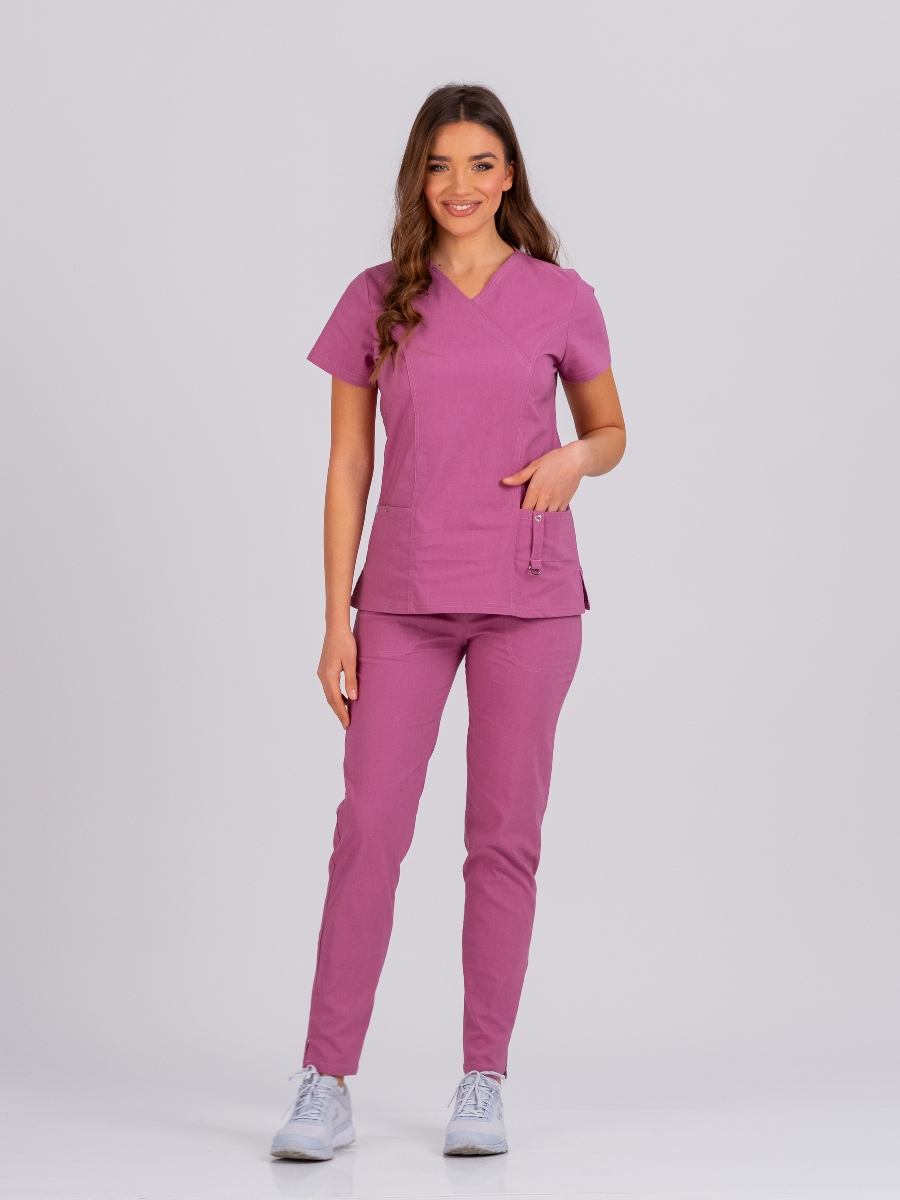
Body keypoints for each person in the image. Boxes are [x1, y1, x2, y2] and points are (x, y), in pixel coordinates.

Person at [270, 83, 625, 1162]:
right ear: (416, 179)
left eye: (479, 163)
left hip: (529, 597)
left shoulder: (561, 297)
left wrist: (575, 457)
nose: (459, 185)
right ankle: (325, 1080)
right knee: (369, 831)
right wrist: (334, 620)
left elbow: (611, 430)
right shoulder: (378, 296)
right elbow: (348, 465)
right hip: (404, 598)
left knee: (502, 840)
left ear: (508, 174)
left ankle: (483, 1079)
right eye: (439, 165)